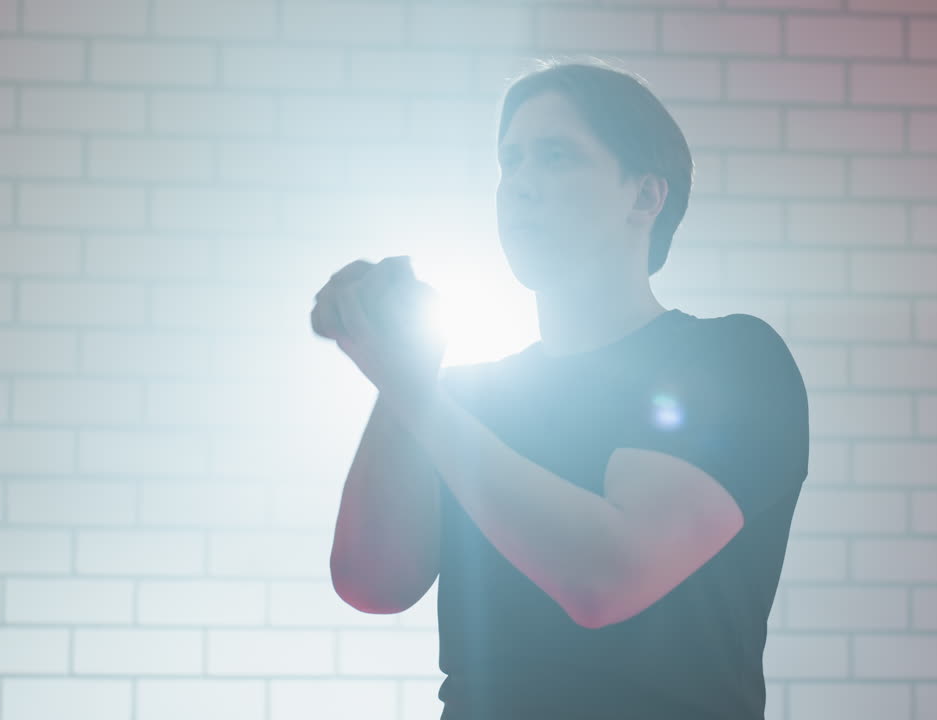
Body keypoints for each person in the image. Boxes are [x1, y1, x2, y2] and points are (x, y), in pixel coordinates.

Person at [316, 58, 809, 720]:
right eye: (510, 161)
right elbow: (371, 583)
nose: (520, 183)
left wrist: (416, 392)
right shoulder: (459, 399)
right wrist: (401, 372)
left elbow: (603, 580)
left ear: (644, 196)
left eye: (555, 156)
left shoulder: (732, 360)